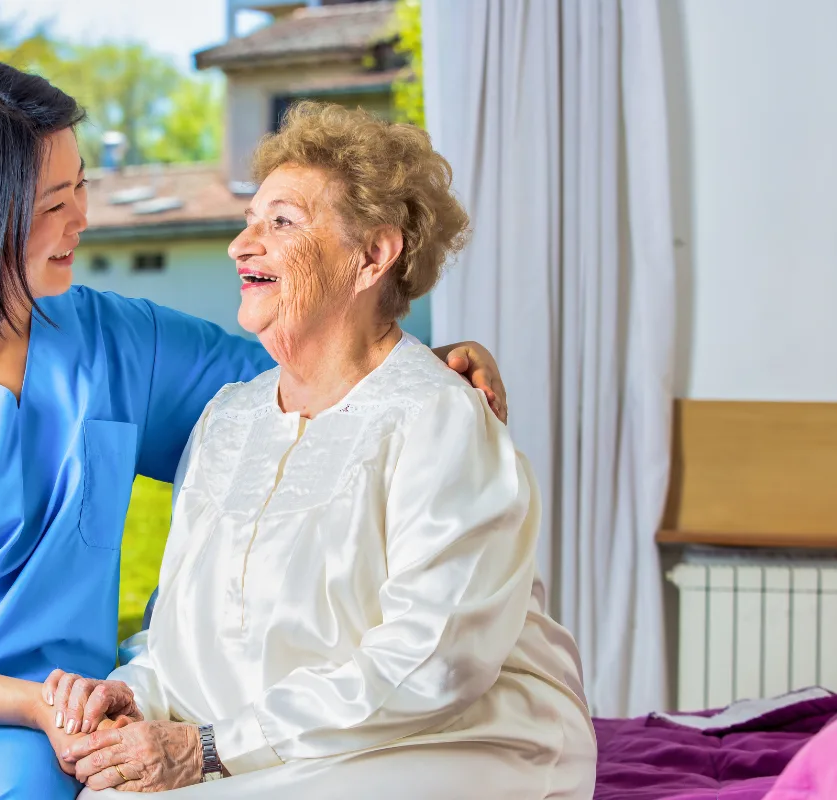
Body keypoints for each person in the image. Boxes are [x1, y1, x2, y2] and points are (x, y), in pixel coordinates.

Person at [0, 63, 508, 799]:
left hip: (32, 711)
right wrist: (38, 704)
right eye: (55, 204)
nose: (83, 217)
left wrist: (416, 364)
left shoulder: (120, 344)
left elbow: (305, 375)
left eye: (80, 186)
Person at [46, 102, 596, 799]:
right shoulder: (230, 417)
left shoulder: (440, 418)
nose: (241, 245)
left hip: (446, 735)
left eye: (282, 222)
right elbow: (182, 630)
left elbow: (433, 663)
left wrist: (211, 749)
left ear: (373, 255)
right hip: (264, 743)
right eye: (249, 221)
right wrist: (134, 696)